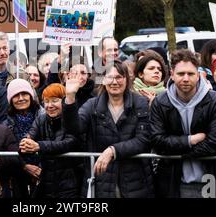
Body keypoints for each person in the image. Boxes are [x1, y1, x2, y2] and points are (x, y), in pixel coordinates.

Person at [150, 49, 216, 198]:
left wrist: (178, 152)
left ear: (198, 75)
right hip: (175, 179)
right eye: (180, 74)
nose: (186, 78)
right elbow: (157, 140)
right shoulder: (160, 102)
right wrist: (189, 140)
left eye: (190, 74)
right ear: (172, 74)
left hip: (210, 176)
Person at [63, 60, 154, 198]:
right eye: (110, 77)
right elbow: (74, 130)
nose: (114, 82)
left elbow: (143, 140)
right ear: (103, 79)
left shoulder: (139, 102)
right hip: (102, 181)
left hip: (135, 180)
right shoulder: (91, 105)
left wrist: (113, 150)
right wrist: (70, 97)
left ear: (127, 79)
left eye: (119, 77)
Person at [19, 83, 81, 198]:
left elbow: (70, 143)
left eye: (54, 100)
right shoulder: (41, 119)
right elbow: (31, 134)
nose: (50, 105)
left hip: (70, 184)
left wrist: (39, 146)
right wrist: (25, 142)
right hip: (46, 182)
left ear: (64, 101)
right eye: (46, 101)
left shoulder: (72, 118)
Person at [4, 79, 43, 197]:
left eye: (24, 94)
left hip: (45, 174)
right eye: (16, 95)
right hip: (17, 176)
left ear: (31, 96)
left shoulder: (45, 117)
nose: (21, 98)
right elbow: (6, 151)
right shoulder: (5, 124)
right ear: (10, 100)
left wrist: (40, 168)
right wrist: (24, 166)